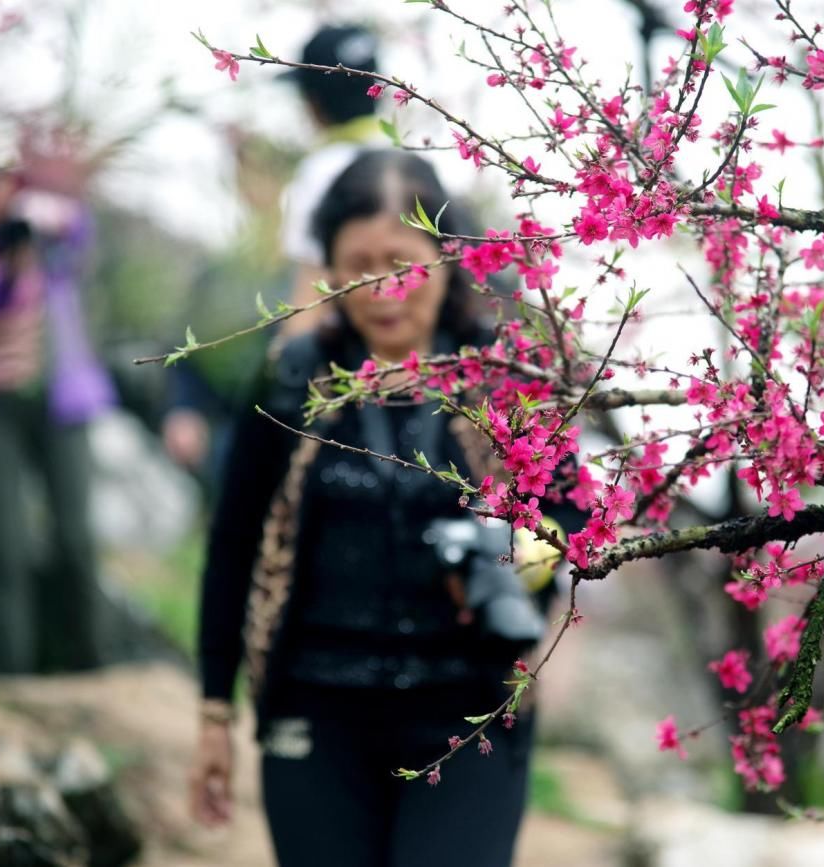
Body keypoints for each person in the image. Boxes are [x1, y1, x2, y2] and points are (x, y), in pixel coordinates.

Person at [188, 151, 568, 867]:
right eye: (358, 263)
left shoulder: (506, 379)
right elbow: (233, 544)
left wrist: (520, 558)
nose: (383, 287)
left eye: (404, 260)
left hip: (470, 711)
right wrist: (215, 709)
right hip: (316, 710)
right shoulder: (292, 380)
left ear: (449, 259)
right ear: (328, 267)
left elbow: (575, 520)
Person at [0, 115, 115, 674]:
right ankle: (7, 669)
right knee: (3, 545)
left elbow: (82, 235)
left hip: (61, 404)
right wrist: (8, 263)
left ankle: (87, 665)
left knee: (76, 540)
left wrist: (42, 218)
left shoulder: (45, 229)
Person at [161, 24, 385, 477]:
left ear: (314, 104)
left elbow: (308, 298)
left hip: (337, 382)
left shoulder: (322, 171)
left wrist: (282, 394)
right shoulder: (409, 162)